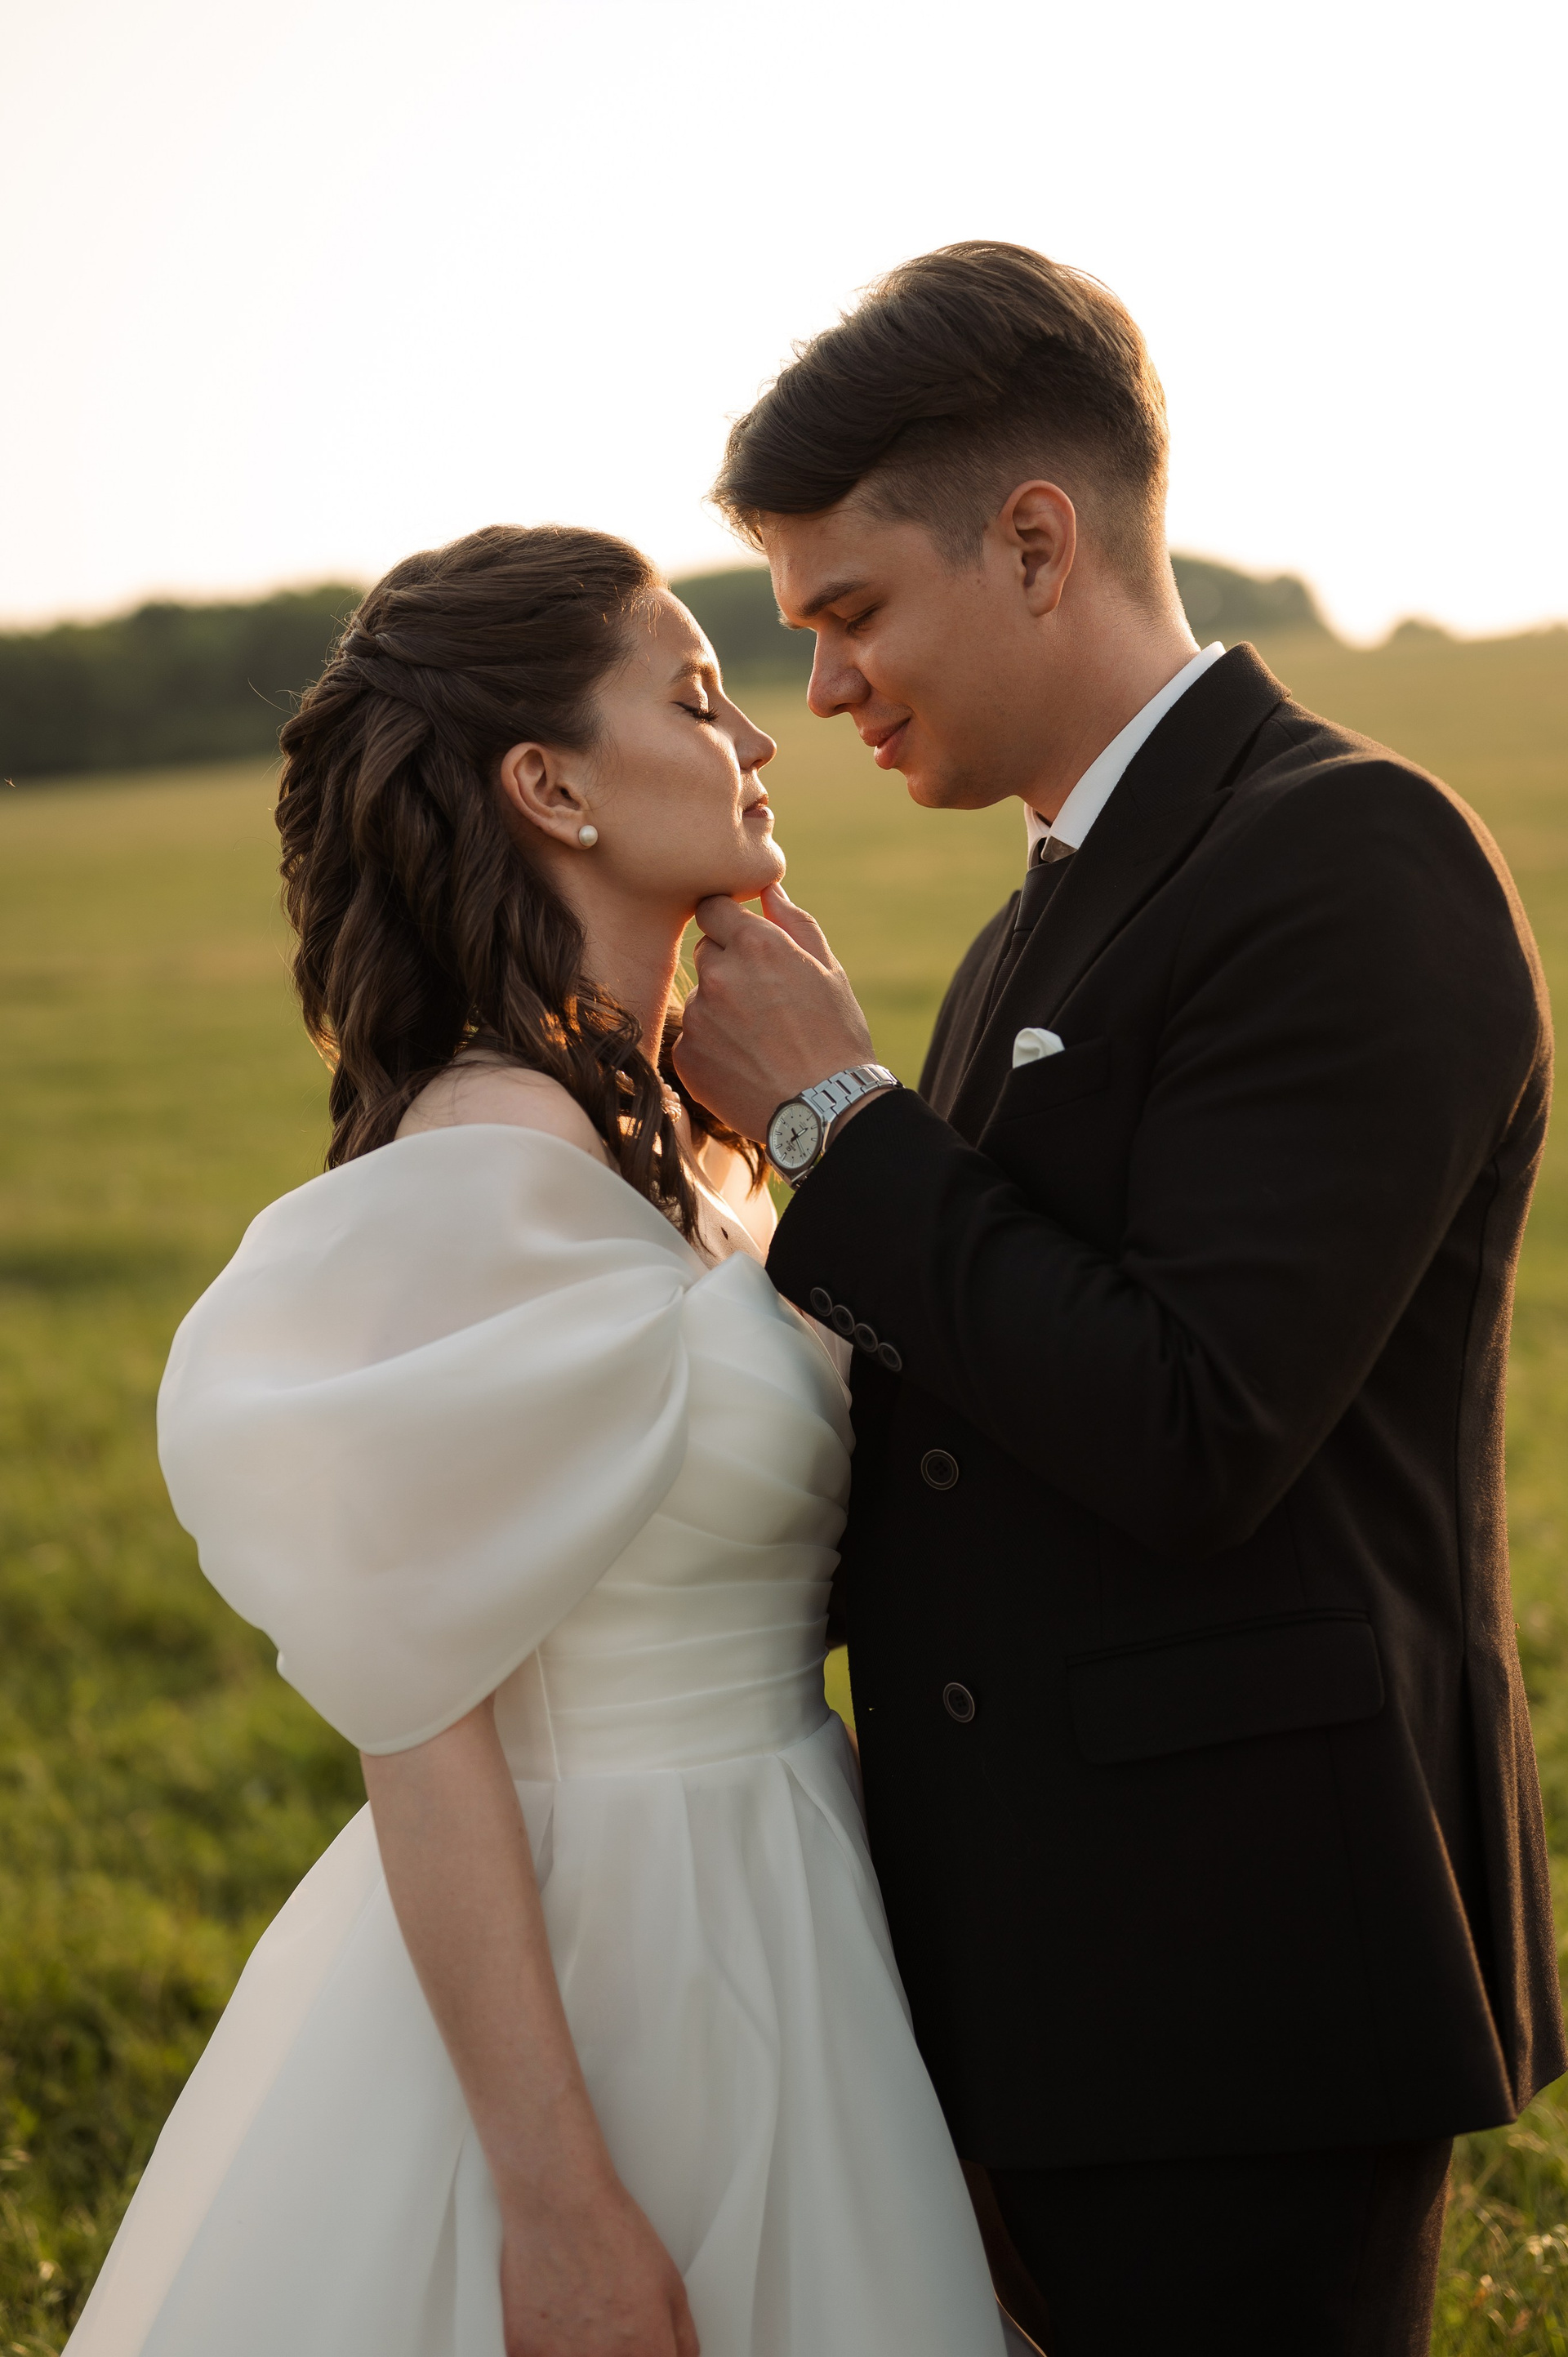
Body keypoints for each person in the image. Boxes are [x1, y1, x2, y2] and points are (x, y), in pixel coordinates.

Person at [672, 241, 1566, 2357]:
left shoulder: (1352, 855)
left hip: (1250, 1988)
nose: (828, 689)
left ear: (1036, 541)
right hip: (1040, 1973)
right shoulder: (1034, 918)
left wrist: (836, 1124)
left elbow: (1194, 1419)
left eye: (852, 612)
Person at [64, 525, 1014, 2357]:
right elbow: (420, 1724)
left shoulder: (678, 1137)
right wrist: (559, 2195)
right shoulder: (494, 1154)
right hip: (606, 1953)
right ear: (550, 787)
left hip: (792, 1882)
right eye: (700, 698)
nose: (760, 740)